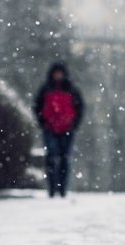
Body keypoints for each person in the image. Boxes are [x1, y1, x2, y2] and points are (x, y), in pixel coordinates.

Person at [33, 62, 83, 198]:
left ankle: (62, 189)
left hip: (67, 129)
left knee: (64, 159)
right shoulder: (46, 89)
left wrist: (74, 124)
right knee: (51, 157)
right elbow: (37, 106)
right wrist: (42, 122)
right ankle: (52, 188)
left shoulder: (72, 89)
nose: (58, 76)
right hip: (50, 128)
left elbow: (80, 108)